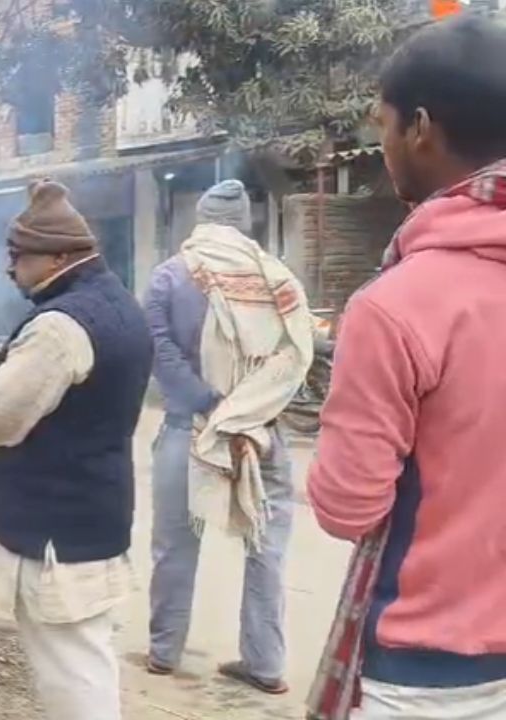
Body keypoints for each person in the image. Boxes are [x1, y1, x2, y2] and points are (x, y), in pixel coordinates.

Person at [306, 16, 506, 720]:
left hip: (428, 675)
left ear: (420, 127)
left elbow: (346, 506)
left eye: (383, 124)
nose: (382, 144)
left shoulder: (397, 307)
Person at [0, 180, 151, 720]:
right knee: (86, 653)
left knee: (72, 674)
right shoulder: (117, 303)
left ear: (59, 257)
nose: (11, 269)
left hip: (58, 534)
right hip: (93, 515)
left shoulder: (61, 327)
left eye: (19, 257)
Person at [142, 179, 313, 695]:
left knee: (175, 545)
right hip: (263, 435)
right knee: (266, 550)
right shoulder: (277, 277)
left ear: (201, 220)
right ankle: (265, 664)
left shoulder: (172, 275)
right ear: (244, 224)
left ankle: (164, 653)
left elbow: (159, 352)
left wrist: (212, 406)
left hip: (190, 429)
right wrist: (246, 410)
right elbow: (294, 359)